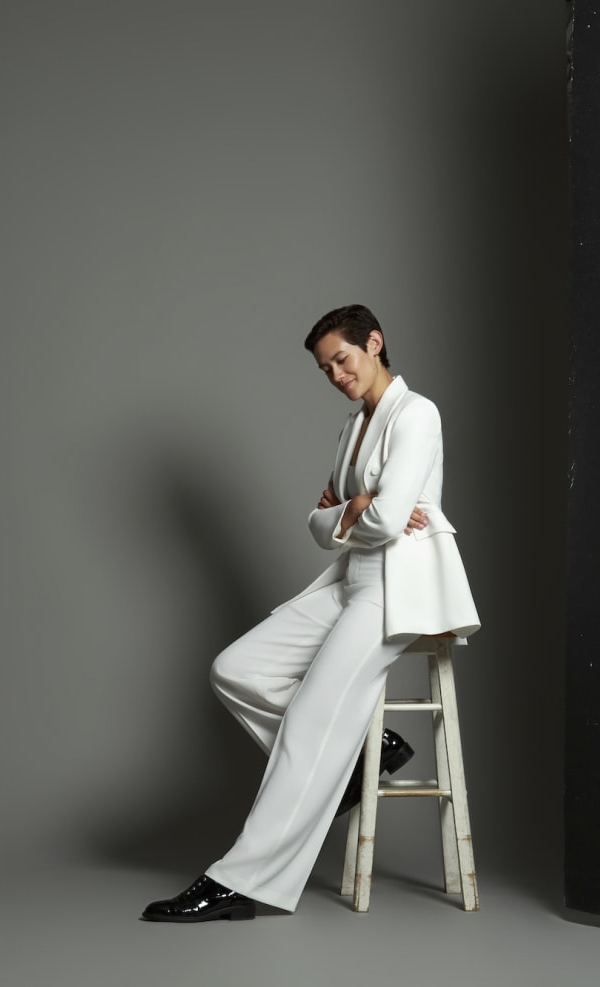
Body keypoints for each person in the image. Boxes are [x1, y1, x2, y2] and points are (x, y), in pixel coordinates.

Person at [141, 304, 481, 923]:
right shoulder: (354, 426)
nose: (336, 375)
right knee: (234, 668)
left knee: (306, 726)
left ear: (374, 344)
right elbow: (322, 526)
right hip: (353, 578)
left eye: (342, 360)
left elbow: (378, 518)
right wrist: (357, 508)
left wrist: (353, 509)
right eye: (325, 369)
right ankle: (357, 757)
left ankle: (239, 882)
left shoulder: (417, 413)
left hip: (396, 590)